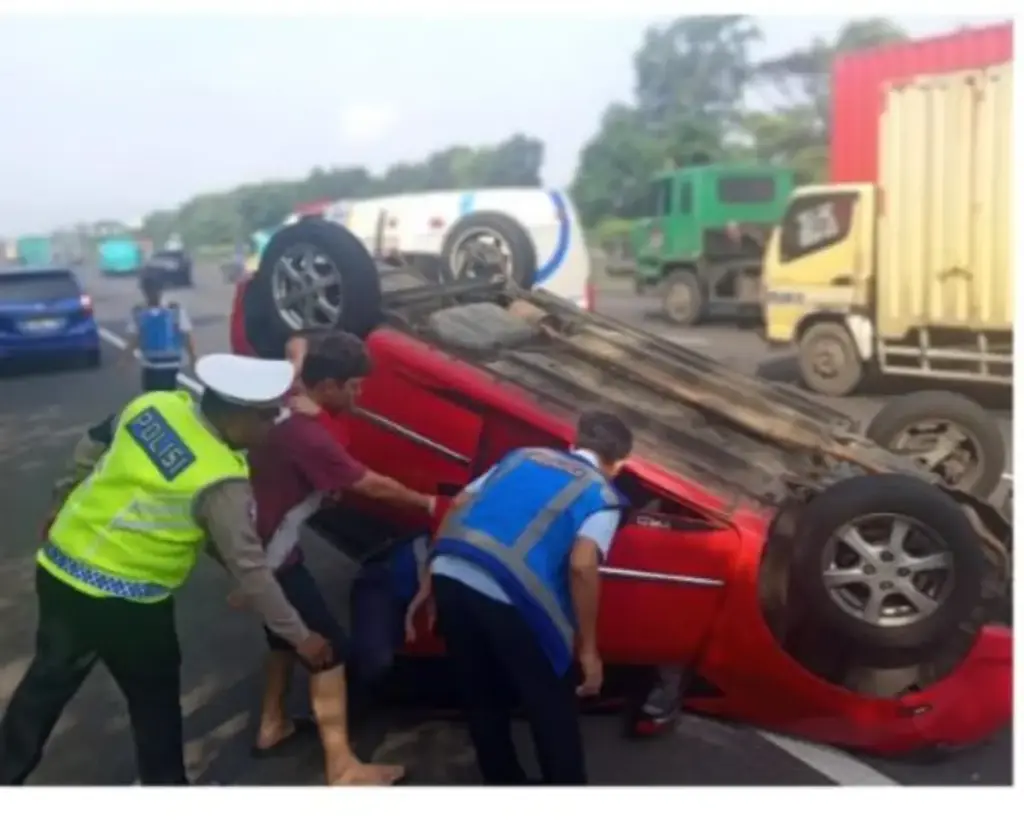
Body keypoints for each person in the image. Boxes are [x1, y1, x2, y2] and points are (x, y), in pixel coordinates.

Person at [0, 354, 334, 786]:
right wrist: (300, 637)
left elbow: (91, 443)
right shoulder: (221, 480)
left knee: (45, 684)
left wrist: (61, 498)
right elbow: (250, 568)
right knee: (153, 704)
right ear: (237, 414)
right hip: (129, 604)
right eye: (268, 418)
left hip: (62, 568)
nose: (272, 428)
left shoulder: (155, 406)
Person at [243, 331, 436, 785]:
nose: (359, 394)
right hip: (270, 558)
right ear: (327, 385)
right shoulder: (308, 435)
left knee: (282, 635)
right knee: (327, 650)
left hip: (261, 544)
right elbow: (368, 484)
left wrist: (298, 351)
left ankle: (273, 723)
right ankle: (343, 768)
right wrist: (429, 504)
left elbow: (295, 344)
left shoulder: (288, 396)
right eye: (353, 386)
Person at [406, 411, 633, 785]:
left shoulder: (520, 456)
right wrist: (589, 650)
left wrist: (431, 578)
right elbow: (581, 565)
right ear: (620, 464)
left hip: (451, 570)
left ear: (574, 443)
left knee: (480, 694)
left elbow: (460, 503)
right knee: (551, 709)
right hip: (513, 600)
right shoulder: (602, 495)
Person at [121, 270, 198, 392]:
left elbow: (186, 335)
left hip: (169, 366)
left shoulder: (174, 310)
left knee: (162, 397)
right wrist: (126, 358)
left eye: (153, 289)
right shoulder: (140, 312)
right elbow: (134, 338)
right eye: (149, 290)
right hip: (152, 365)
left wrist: (193, 358)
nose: (151, 293)